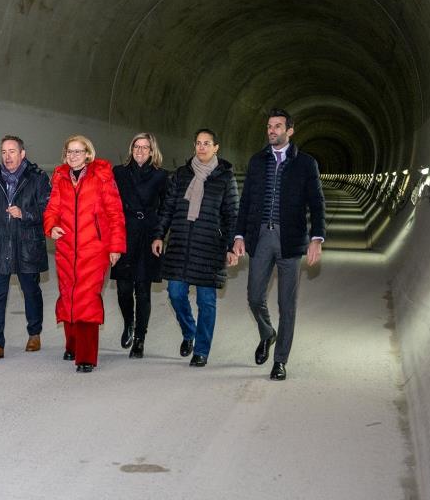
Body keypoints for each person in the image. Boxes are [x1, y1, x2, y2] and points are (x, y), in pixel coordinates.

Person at [232, 108, 326, 381]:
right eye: (269, 126)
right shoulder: (257, 161)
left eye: (277, 126)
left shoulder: (305, 163)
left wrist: (317, 238)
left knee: (287, 304)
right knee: (253, 296)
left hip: (291, 240)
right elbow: (246, 201)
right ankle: (267, 333)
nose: (272, 130)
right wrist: (239, 236)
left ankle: (280, 360)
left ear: (290, 130)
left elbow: (317, 203)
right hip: (261, 237)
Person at [152, 128, 239, 368]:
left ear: (216, 147)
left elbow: (232, 214)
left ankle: (201, 350)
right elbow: (167, 208)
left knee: (206, 301)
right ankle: (189, 332)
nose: (202, 147)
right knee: (176, 293)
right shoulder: (181, 175)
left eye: (207, 143)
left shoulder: (225, 177)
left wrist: (231, 246)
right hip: (180, 243)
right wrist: (159, 234)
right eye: (198, 143)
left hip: (210, 247)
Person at [43, 135, 126, 373]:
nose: (73, 156)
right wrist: (51, 226)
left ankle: (86, 356)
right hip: (67, 246)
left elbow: (115, 213)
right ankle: (72, 345)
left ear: (88, 154)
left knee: (87, 298)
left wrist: (115, 247)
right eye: (70, 151)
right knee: (68, 296)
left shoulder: (101, 176)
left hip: (94, 248)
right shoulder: (60, 177)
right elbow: (52, 209)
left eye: (78, 152)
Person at [0, 135, 51, 361]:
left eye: (12, 151)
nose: (7, 156)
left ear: (22, 154)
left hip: (28, 244)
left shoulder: (37, 178)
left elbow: (48, 211)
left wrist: (25, 214)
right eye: (3, 152)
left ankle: (34, 333)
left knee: (31, 291)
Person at [110, 133, 168, 358]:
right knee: (124, 288)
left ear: (152, 151)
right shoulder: (119, 173)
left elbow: (166, 209)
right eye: (137, 147)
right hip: (124, 233)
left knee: (142, 290)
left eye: (145, 147)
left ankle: (140, 339)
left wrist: (159, 235)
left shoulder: (161, 176)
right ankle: (129, 324)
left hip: (148, 235)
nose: (140, 151)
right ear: (131, 149)